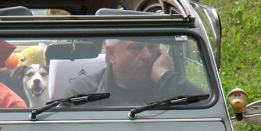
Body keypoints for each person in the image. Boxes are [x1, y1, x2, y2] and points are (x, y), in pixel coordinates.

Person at [62, 39, 205, 106]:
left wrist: (165, 77)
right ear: (111, 54)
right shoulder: (83, 93)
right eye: (135, 48)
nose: (147, 56)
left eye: (152, 47)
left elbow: (206, 109)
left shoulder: (171, 87)